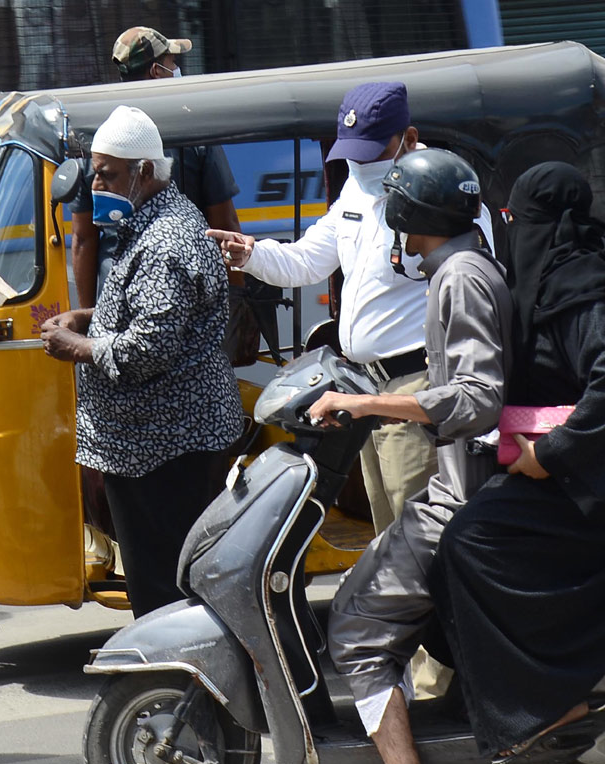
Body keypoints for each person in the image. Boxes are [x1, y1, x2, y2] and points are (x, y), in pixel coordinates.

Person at [307, 149, 513, 764]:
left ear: (407, 215)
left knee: (356, 628)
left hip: (462, 491)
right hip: (462, 483)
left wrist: (367, 402)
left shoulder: (459, 278)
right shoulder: (464, 264)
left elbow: (475, 398)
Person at [429, 162, 605, 764]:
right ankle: (496, 698)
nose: (513, 231)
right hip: (560, 470)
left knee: (469, 542)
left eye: (519, 220)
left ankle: (548, 699)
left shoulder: (579, 284)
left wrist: (551, 455)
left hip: (589, 484)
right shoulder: (557, 274)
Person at [209, 82, 437, 535]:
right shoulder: (356, 186)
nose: (361, 163)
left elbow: (469, 284)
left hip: (414, 382)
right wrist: (250, 254)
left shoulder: (439, 192)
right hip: (365, 386)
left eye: (373, 151)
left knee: (419, 532)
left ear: (408, 140)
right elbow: (307, 259)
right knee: (388, 529)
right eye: (354, 153)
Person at [42, 106, 241, 619]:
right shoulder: (147, 223)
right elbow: (149, 311)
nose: (96, 184)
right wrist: (89, 317)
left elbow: (147, 349)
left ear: (144, 172)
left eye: (106, 174)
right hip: (150, 443)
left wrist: (77, 347)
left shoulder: (165, 240)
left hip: (167, 449)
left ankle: (183, 690)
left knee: (166, 592)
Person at [70, 26, 243, 312]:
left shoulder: (94, 137)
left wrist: (89, 318)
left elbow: (83, 238)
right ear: (156, 71)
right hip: (188, 295)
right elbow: (225, 227)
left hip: (116, 298)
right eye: (173, 62)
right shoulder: (194, 134)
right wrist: (237, 305)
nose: (177, 69)